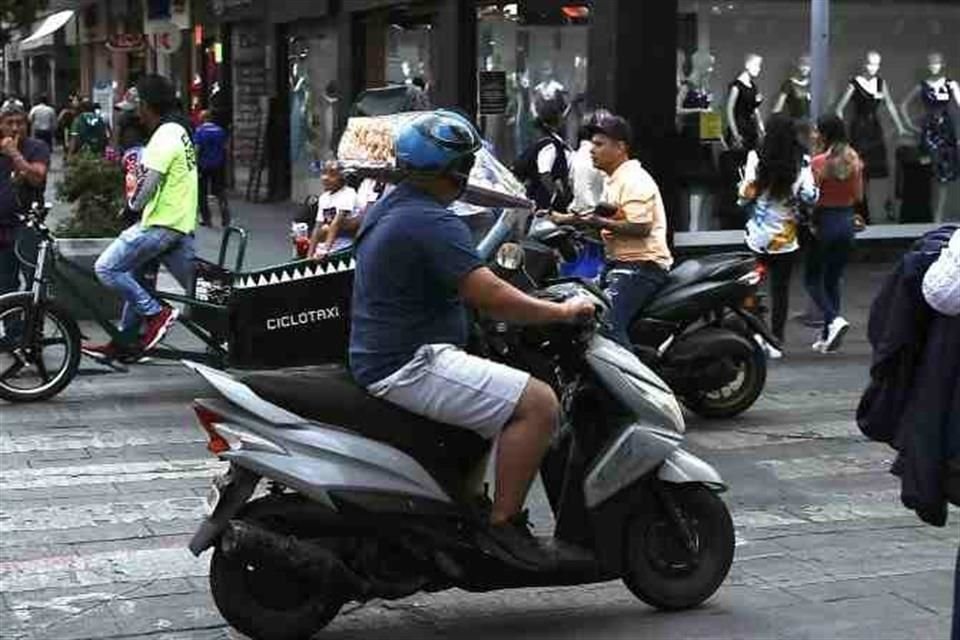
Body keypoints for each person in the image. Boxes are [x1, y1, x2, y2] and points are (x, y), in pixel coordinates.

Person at [349, 110, 594, 569]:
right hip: (411, 362)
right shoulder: (430, 221)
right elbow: (491, 295)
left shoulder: (394, 206)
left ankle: (466, 508)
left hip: (389, 352)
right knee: (539, 404)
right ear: (455, 172)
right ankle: (504, 528)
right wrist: (559, 312)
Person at [82, 75, 198, 361]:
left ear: (147, 106)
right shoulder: (179, 131)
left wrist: (131, 207)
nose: (135, 116)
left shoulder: (164, 135)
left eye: (136, 109)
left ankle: (157, 314)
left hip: (161, 224)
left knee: (107, 268)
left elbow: (148, 183)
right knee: (199, 294)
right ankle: (125, 341)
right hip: (178, 224)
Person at [551, 114, 674, 347]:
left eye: (599, 144)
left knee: (606, 328)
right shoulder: (613, 180)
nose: (591, 150)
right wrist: (560, 219)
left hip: (641, 266)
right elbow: (603, 216)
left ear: (620, 148)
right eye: (591, 144)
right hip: (619, 263)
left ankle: (632, 382)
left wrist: (600, 223)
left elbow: (641, 227)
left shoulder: (634, 179)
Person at [738, 114, 818, 357]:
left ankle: (756, 334)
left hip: (758, 237)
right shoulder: (801, 162)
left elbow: (746, 193)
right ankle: (776, 340)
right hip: (785, 239)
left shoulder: (755, 157)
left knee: (752, 287)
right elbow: (811, 196)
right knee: (780, 290)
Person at [806, 115, 863, 353]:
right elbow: (859, 196)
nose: (813, 135)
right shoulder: (854, 160)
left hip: (824, 223)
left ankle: (833, 319)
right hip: (847, 221)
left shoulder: (817, 163)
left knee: (811, 279)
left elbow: (811, 196)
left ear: (826, 134)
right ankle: (828, 337)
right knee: (832, 278)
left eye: (817, 131)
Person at [0, 101, 50, 298]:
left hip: (27, 227)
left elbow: (37, 178)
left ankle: (33, 327)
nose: (14, 127)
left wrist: (15, 154)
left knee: (34, 284)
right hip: (2, 230)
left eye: (19, 122)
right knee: (5, 287)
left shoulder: (37, 147)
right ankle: (14, 329)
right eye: (9, 122)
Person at [514, 94, 573, 211]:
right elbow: (545, 173)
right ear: (557, 120)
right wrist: (557, 195)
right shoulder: (550, 145)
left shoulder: (550, 141)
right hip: (543, 204)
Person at [307, 160, 359, 258]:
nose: (326, 178)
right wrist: (309, 256)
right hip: (328, 244)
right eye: (324, 173)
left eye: (332, 174)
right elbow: (317, 227)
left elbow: (337, 223)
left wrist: (325, 250)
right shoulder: (323, 198)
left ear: (342, 177)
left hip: (345, 246)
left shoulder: (348, 193)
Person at [193, 110, 231, 227]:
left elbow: (197, 149)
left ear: (202, 119)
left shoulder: (200, 131)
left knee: (202, 193)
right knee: (220, 191)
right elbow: (226, 148)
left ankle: (207, 219)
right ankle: (225, 217)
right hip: (218, 165)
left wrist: (194, 163)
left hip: (204, 165)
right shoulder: (220, 131)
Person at [113, 88, 148, 153]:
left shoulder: (149, 121)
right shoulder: (123, 118)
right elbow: (116, 136)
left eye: (130, 111)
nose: (124, 114)